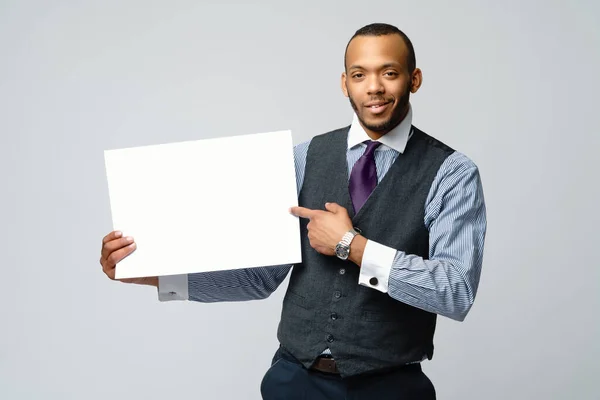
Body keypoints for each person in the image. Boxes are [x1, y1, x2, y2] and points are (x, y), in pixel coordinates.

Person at [99, 23, 487, 400]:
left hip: (391, 387)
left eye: (389, 73)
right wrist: (153, 274)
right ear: (344, 83)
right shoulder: (302, 158)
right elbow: (259, 278)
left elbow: (454, 290)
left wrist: (352, 246)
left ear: (414, 79)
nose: (374, 87)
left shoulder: (452, 173)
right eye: (359, 74)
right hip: (295, 383)